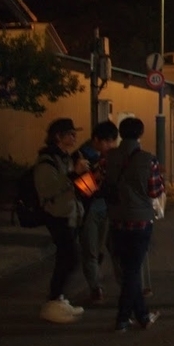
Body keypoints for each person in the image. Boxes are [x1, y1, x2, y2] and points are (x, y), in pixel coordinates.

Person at [103, 117, 163, 332]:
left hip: (117, 218)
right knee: (132, 270)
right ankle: (122, 318)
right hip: (140, 220)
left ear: (120, 133)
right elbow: (155, 191)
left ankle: (142, 316)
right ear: (140, 133)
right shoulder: (148, 159)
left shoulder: (108, 157)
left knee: (129, 269)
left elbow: (103, 183)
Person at [36, 118, 90, 324]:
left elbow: (76, 186)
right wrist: (73, 174)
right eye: (70, 134)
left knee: (65, 258)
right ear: (58, 136)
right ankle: (53, 300)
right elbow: (49, 188)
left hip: (70, 214)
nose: (74, 138)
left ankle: (58, 299)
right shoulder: (47, 160)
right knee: (70, 258)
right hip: (57, 215)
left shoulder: (66, 157)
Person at [76, 120, 119, 305]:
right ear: (96, 140)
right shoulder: (81, 156)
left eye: (112, 141)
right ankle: (95, 289)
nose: (110, 145)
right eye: (107, 141)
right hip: (89, 209)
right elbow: (83, 188)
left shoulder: (108, 157)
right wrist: (96, 177)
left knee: (107, 249)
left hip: (106, 208)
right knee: (91, 250)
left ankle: (119, 285)